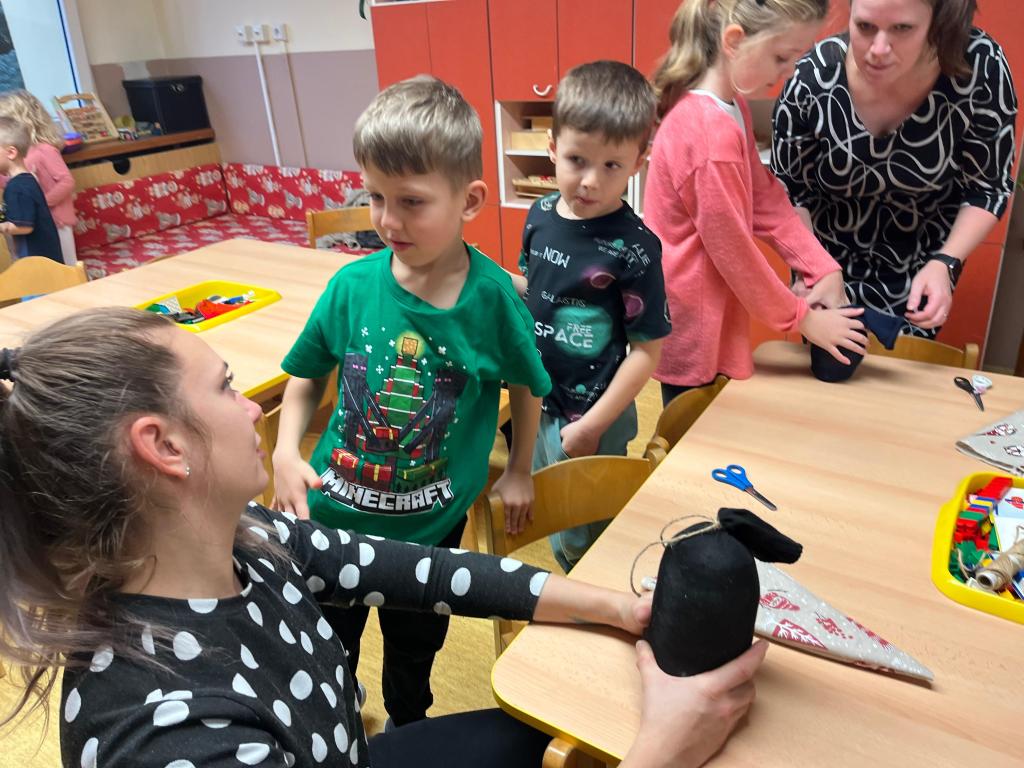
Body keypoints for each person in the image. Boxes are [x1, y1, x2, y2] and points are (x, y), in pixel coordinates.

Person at [0, 307, 768, 768]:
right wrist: (664, 751)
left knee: (555, 737)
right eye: (227, 387)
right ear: (163, 446)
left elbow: (426, 573)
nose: (253, 408)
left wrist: (616, 608)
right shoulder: (171, 734)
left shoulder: (246, 540)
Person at [271, 76, 550, 729]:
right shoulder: (350, 287)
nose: (388, 221)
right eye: (375, 197)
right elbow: (305, 375)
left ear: (469, 200)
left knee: (412, 660)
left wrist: (519, 468)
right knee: (326, 656)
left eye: (411, 202)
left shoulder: (492, 301)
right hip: (332, 522)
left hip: (429, 533)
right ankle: (337, 729)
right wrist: (284, 451)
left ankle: (408, 730)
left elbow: (527, 385)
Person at [644, 0, 867, 406]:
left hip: (714, 312)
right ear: (734, 41)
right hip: (693, 326)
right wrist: (804, 319)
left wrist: (821, 266)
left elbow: (765, 199)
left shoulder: (732, 109)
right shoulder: (709, 135)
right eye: (781, 57)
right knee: (689, 431)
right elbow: (736, 254)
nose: (788, 72)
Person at [772, 0, 1018, 336]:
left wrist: (946, 262)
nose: (878, 49)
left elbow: (986, 188)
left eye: (902, 28)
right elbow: (789, 189)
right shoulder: (813, 77)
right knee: (829, 363)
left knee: (903, 361)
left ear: (937, 23)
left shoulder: (978, 67)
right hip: (824, 260)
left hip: (924, 261)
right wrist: (810, 267)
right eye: (865, 27)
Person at [512, 60, 671, 571]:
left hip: (596, 415)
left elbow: (646, 352)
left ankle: (600, 598)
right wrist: (490, 279)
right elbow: (538, 292)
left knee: (591, 537)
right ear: (552, 147)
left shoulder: (636, 248)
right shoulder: (539, 217)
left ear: (638, 162)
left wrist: (593, 425)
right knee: (557, 517)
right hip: (540, 399)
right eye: (577, 159)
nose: (589, 181)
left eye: (611, 166)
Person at [0, 90, 77, 265]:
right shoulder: (16, 158)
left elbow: (66, 181)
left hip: (57, 222)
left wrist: (41, 203)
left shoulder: (44, 150)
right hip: (34, 223)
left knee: (65, 267)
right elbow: (10, 182)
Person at [0, 115, 62, 263]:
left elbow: (23, 226)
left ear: (11, 153)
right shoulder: (27, 180)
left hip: (37, 259)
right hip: (46, 255)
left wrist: (3, 227)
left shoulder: (16, 187)